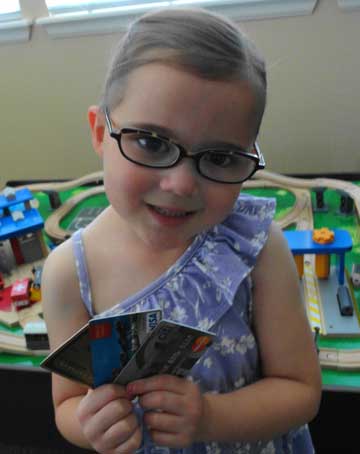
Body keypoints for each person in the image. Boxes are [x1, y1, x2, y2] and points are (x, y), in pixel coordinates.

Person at [42, 7, 321, 453]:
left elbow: (301, 389)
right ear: (99, 131)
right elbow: (67, 404)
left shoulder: (257, 248)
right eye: (151, 142)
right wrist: (90, 425)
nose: (181, 185)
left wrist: (211, 417)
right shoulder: (68, 274)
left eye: (221, 157)